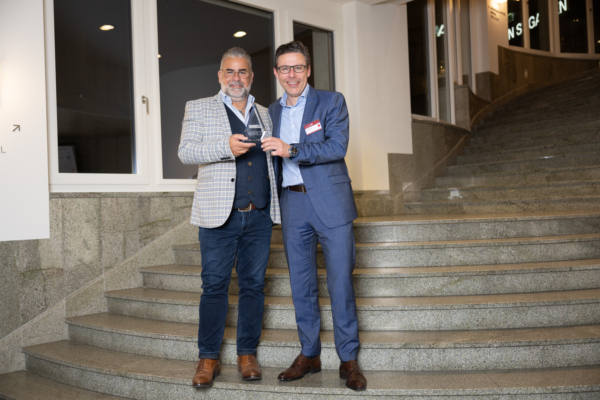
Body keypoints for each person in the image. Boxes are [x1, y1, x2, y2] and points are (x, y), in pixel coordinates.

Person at [261, 41, 367, 391]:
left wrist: (290, 148)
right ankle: (309, 354)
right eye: (285, 68)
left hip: (331, 203)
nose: (291, 74)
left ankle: (348, 359)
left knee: (340, 282)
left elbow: (336, 146)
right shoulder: (271, 111)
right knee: (301, 284)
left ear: (308, 70)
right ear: (276, 73)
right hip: (292, 204)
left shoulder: (331, 101)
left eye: (298, 67)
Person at [178, 47, 280, 388]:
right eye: (230, 72)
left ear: (251, 76)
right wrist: (225, 146)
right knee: (214, 287)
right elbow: (186, 152)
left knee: (253, 286)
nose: (236, 78)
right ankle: (208, 358)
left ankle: (247, 354)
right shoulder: (199, 107)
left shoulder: (265, 113)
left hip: (259, 215)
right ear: (220, 76)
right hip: (218, 215)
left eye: (242, 72)